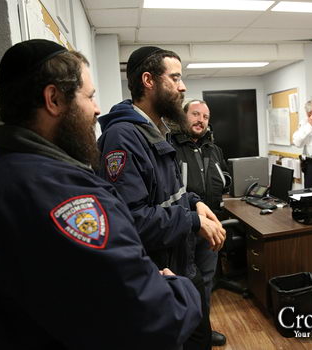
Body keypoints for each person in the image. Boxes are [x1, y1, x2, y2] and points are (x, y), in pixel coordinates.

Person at [0, 39, 202, 349]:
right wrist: (180, 288)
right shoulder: (58, 195)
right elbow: (152, 316)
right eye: (90, 96)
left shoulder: (6, 177)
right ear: (54, 99)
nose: (97, 109)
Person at [97, 46, 226, 350]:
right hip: (157, 274)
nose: (182, 86)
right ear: (148, 80)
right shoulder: (124, 138)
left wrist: (195, 200)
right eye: (175, 78)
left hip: (182, 263)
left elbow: (172, 190)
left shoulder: (158, 130)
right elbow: (131, 220)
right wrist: (193, 220)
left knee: (201, 338)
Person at [170, 100, 231, 346]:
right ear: (184, 116)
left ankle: (203, 331)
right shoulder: (171, 145)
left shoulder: (212, 147)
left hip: (212, 222)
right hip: (184, 224)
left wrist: (222, 183)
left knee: (206, 280)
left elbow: (224, 174)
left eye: (205, 116)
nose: (201, 120)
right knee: (184, 281)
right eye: (195, 114)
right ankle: (185, 335)